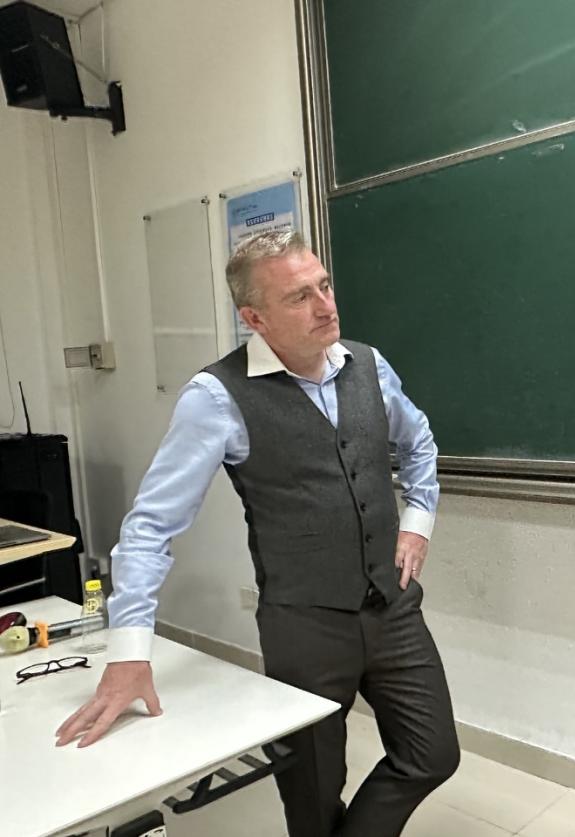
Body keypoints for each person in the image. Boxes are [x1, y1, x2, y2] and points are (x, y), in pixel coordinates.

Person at [55, 229, 460, 837]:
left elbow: (418, 440)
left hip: (393, 607)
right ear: (254, 318)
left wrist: (418, 522)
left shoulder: (369, 366)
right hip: (304, 624)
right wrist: (129, 652)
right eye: (300, 297)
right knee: (313, 791)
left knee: (432, 753)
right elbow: (149, 528)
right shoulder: (215, 397)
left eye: (324, 285)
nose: (325, 305)